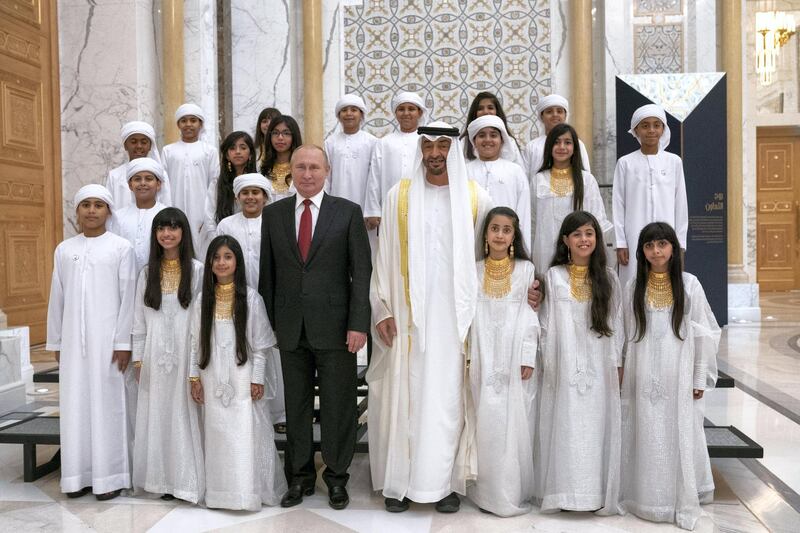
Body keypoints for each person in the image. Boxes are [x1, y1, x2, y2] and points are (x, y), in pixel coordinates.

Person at [367, 122, 492, 514]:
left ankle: (446, 483)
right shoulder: (398, 196)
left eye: (442, 146)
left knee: (448, 397)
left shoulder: (476, 198)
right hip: (407, 319)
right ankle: (399, 483)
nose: (435, 153)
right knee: (404, 393)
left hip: (456, 321)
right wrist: (382, 307)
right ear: (419, 150)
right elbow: (383, 256)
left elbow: (491, 259)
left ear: (453, 150)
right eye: (429, 147)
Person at [259, 144, 372, 511]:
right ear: (290, 172)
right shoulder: (273, 215)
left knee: (339, 406)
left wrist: (358, 324)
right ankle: (300, 477)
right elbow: (268, 275)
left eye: (314, 168)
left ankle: (337, 478)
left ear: (327, 171)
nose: (307, 175)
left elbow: (361, 274)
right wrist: (272, 325)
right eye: (301, 168)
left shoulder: (348, 213)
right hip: (290, 328)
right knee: (297, 406)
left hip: (338, 330)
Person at [620, 222, 719, 530]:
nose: (656, 251)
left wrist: (698, 376)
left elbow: (704, 333)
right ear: (642, 252)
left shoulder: (690, 284)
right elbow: (626, 335)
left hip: (679, 373)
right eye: (649, 246)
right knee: (647, 430)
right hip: (644, 371)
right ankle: (648, 497)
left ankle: (682, 492)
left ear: (673, 249)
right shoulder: (633, 286)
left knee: (682, 428)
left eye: (662, 244)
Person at [46, 184, 136, 501]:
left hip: (109, 346)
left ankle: (110, 476)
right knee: (76, 406)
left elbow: (128, 300)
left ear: (109, 211)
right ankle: (77, 476)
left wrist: (124, 342)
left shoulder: (121, 248)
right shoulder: (64, 249)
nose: (92, 210)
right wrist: (56, 341)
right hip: (73, 344)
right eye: (86, 205)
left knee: (108, 406)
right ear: (78, 211)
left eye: (99, 205)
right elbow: (57, 298)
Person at [189, 235, 286, 510]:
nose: (221, 262)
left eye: (227, 257)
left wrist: (257, 379)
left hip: (242, 378)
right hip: (211, 377)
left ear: (237, 262)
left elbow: (261, 346)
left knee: (244, 432)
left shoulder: (251, 298)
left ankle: (246, 492)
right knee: (216, 432)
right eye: (216, 257)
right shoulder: (201, 301)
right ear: (209, 263)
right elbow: (194, 343)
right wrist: (194, 378)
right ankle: (220, 494)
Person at [535, 210, 622, 514]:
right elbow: (545, 325)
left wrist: (617, 367)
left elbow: (617, 326)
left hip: (599, 368)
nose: (584, 240)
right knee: (566, 427)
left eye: (589, 234)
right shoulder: (554, 276)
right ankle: (565, 495)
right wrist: (550, 363)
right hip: (564, 367)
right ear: (565, 241)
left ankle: (594, 495)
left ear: (597, 239)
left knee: (596, 428)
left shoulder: (609, 278)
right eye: (577, 234)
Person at [466, 207, 539, 517]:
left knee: (513, 423)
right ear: (485, 234)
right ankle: (484, 492)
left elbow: (529, 316)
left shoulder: (525, 270)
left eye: (506, 230)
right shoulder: (473, 269)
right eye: (494, 228)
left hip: (512, 358)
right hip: (482, 356)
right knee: (484, 421)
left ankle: (509, 491)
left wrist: (526, 355)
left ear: (514, 236)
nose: (499, 234)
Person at [131, 207, 204, 503]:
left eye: (173, 227)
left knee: (185, 414)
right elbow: (138, 320)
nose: (167, 233)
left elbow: (201, 319)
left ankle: (186, 480)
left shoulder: (198, 270)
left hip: (188, 353)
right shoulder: (147, 272)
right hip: (155, 355)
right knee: (158, 414)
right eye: (161, 228)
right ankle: (161, 479)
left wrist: (197, 365)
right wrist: (138, 358)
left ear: (183, 232)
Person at [216, 173, 287, 433]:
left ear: (266, 196)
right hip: (236, 296)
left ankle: (279, 414)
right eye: (245, 193)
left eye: (256, 192)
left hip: (270, 296)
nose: (250, 197)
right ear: (237, 196)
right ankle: (239, 403)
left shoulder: (276, 221)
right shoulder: (226, 225)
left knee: (271, 351)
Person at [613, 103, 688, 286]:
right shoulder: (625, 163)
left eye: (657, 125)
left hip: (667, 238)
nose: (651, 130)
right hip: (633, 237)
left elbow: (680, 205)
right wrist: (621, 242)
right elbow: (618, 204)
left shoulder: (674, 162)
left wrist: (680, 243)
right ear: (636, 129)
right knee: (632, 284)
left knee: (668, 284)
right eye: (645, 125)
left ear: (663, 129)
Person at [531, 123, 611, 271]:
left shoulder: (586, 180)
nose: (562, 147)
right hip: (544, 251)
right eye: (556, 142)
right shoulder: (538, 180)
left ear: (574, 148)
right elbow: (532, 222)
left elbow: (597, 220)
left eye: (567, 142)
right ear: (549, 147)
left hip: (580, 251)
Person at [465, 115, 531, 253]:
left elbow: (523, 213)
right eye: (482, 135)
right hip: (471, 245)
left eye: (493, 135)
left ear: (502, 141)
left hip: (506, 244)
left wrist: (524, 250)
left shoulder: (515, 171)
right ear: (474, 141)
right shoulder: (465, 171)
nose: (488, 140)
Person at [162, 103, 220, 258]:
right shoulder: (168, 151)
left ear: (200, 124)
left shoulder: (209, 151)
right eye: (184, 120)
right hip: (175, 208)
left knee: (201, 253)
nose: (188, 124)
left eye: (193, 120)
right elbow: (164, 185)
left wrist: (207, 216)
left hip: (201, 214)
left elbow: (213, 185)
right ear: (178, 124)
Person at [363, 91, 427, 231]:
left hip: (422, 204)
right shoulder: (384, 142)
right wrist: (373, 210)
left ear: (420, 113)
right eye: (401, 109)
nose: (406, 113)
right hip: (390, 206)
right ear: (395, 113)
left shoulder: (426, 141)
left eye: (411, 109)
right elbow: (375, 177)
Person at [324, 94, 378, 248]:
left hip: (364, 209)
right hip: (335, 207)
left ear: (361, 114)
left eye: (354, 110)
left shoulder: (372, 142)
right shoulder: (330, 143)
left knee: (365, 250)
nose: (348, 114)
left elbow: (375, 178)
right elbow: (326, 178)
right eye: (344, 110)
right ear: (338, 116)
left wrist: (372, 210)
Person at [109, 158, 169, 271]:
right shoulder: (118, 217)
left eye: (149, 179)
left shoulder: (167, 215)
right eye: (137, 179)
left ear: (158, 184)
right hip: (125, 278)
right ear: (130, 185)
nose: (143, 183)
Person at [203, 131, 257, 251]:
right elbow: (209, 216)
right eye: (232, 148)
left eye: (243, 148)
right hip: (224, 242)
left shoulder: (259, 182)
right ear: (227, 155)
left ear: (250, 154)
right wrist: (219, 243)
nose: (237, 152)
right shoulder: (217, 183)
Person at [522, 94, 591, 182]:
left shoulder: (577, 143)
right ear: (541, 117)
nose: (555, 115)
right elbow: (524, 179)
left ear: (565, 115)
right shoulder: (532, 147)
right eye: (549, 112)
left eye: (559, 111)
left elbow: (585, 177)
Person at [105, 121, 171, 210]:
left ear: (150, 145)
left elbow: (166, 205)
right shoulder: (114, 175)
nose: (139, 146)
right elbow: (109, 208)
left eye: (144, 142)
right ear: (125, 145)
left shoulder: (160, 174)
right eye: (133, 142)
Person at [460, 91, 522, 164]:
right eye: (480, 109)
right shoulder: (464, 142)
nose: (486, 112)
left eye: (490, 108)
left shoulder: (510, 141)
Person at [260, 115, 302, 202]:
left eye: (286, 133)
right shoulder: (262, 169)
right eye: (275, 133)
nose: (280, 138)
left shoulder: (302, 169)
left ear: (294, 137)